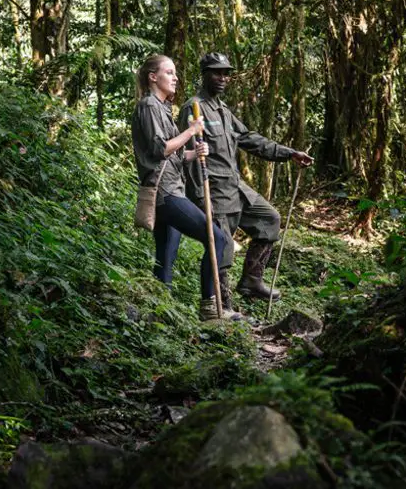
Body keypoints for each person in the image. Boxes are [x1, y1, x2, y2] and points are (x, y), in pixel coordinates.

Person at [178, 52, 314, 308]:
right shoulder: (194, 107)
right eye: (217, 72)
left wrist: (289, 153)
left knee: (269, 219)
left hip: (235, 185)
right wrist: (198, 196)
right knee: (222, 248)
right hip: (214, 189)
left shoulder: (223, 110)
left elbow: (250, 139)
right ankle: (222, 308)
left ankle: (252, 280)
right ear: (204, 74)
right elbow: (189, 154)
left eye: (226, 73)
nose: (222, 78)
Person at [130, 54, 237, 321]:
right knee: (219, 240)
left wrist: (193, 152)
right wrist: (190, 132)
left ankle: (158, 316)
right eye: (169, 72)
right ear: (153, 77)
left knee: (165, 257)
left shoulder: (163, 107)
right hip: (165, 193)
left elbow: (172, 156)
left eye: (175, 72)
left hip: (170, 188)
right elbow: (159, 149)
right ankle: (210, 307)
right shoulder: (149, 106)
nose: (176, 77)